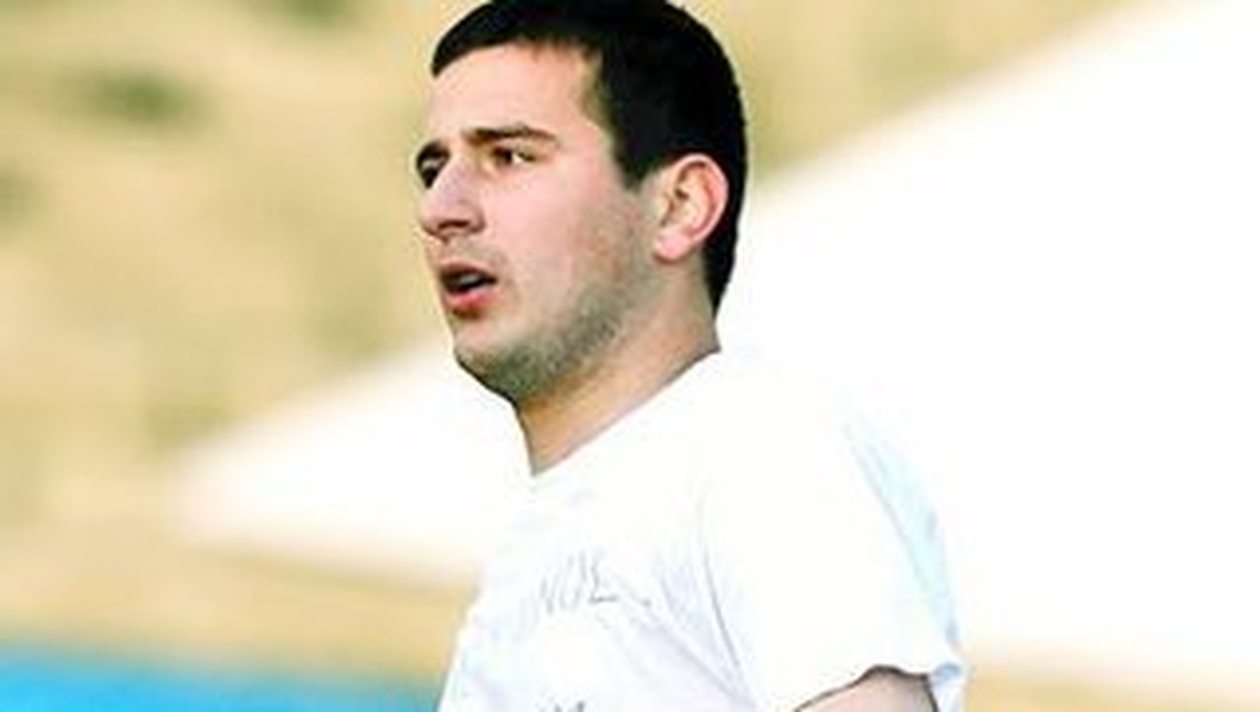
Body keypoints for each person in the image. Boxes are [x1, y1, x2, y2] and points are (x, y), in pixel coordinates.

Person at [413, 0, 965, 709]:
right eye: (434, 168)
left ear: (680, 206)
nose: (441, 209)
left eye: (509, 156)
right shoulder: (528, 570)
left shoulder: (755, 449)